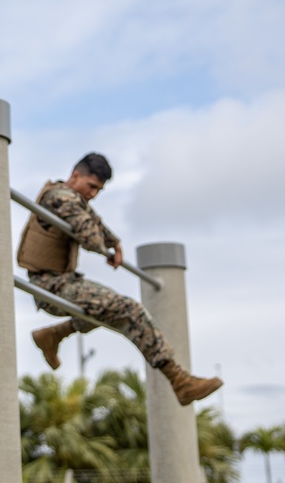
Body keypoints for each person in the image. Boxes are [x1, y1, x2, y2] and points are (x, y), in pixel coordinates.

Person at [17, 153, 222, 406]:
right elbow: (90, 237)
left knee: (112, 309)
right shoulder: (60, 198)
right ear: (75, 176)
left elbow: (94, 221)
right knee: (128, 309)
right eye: (92, 187)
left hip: (63, 282)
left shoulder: (71, 199)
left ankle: (53, 335)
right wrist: (106, 249)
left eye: (99, 190)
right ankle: (180, 381)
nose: (94, 194)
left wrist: (115, 242)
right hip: (49, 286)